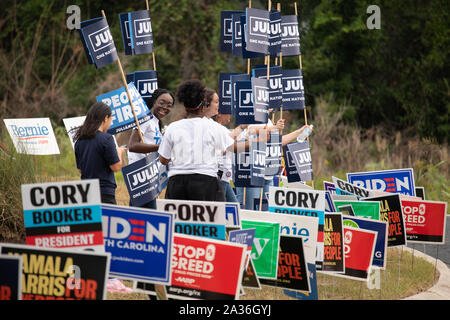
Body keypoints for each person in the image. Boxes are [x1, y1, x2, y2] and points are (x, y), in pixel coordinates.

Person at [158, 80, 236, 201]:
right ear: (204, 105)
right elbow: (231, 148)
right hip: (206, 182)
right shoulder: (214, 127)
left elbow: (163, 159)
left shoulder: (173, 127)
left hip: (177, 183)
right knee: (210, 219)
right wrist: (257, 140)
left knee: (177, 219)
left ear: (184, 105)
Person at [127, 88, 175, 209]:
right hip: (140, 175)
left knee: (143, 214)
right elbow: (132, 145)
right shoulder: (145, 118)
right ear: (154, 101)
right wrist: (161, 147)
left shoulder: (156, 122)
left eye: (169, 105)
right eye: (162, 103)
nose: (165, 107)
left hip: (151, 175)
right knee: (143, 214)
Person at [73, 102, 126, 204]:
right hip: (105, 193)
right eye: (111, 120)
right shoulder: (107, 139)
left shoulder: (79, 141)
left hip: (86, 192)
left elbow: (80, 170)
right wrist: (119, 152)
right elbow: (116, 167)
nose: (110, 123)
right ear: (106, 118)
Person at [203, 88, 239, 203]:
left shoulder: (215, 126)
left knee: (234, 208)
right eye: (217, 102)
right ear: (207, 103)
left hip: (221, 175)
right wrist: (259, 141)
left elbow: (229, 141)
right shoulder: (211, 126)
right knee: (221, 210)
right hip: (213, 176)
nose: (219, 105)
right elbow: (233, 147)